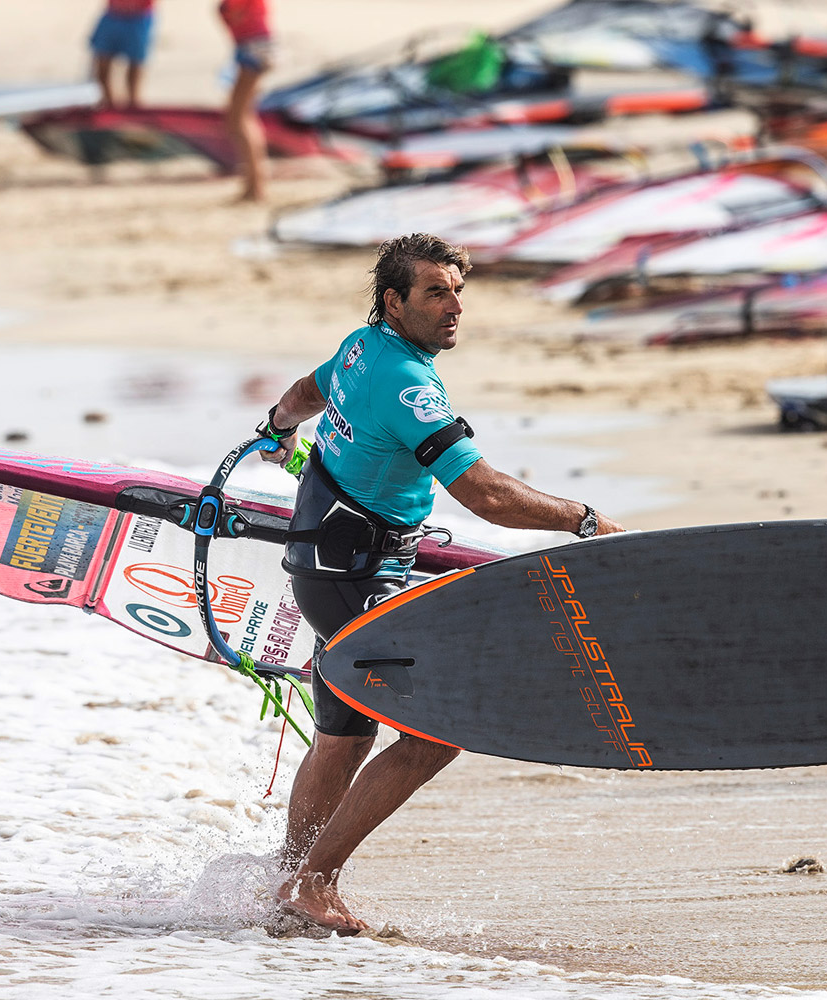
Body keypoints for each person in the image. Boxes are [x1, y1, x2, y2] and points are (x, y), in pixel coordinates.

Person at [254, 233, 624, 935]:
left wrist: (276, 427)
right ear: (394, 301)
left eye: (459, 291)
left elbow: (308, 389)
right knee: (436, 732)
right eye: (436, 292)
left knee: (343, 736)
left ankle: (290, 881)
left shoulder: (364, 349)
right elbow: (484, 495)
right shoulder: (408, 383)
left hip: (326, 567)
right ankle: (313, 882)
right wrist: (584, 520)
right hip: (355, 578)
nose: (455, 306)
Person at [218, 0, 273, 202]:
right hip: (251, 47)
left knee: (238, 119)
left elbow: (231, 11)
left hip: (254, 47)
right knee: (243, 117)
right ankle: (254, 183)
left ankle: (255, 186)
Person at [89, 0, 155, 108]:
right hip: (113, 14)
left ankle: (133, 105)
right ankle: (110, 103)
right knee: (102, 64)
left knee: (135, 64)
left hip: (139, 16)